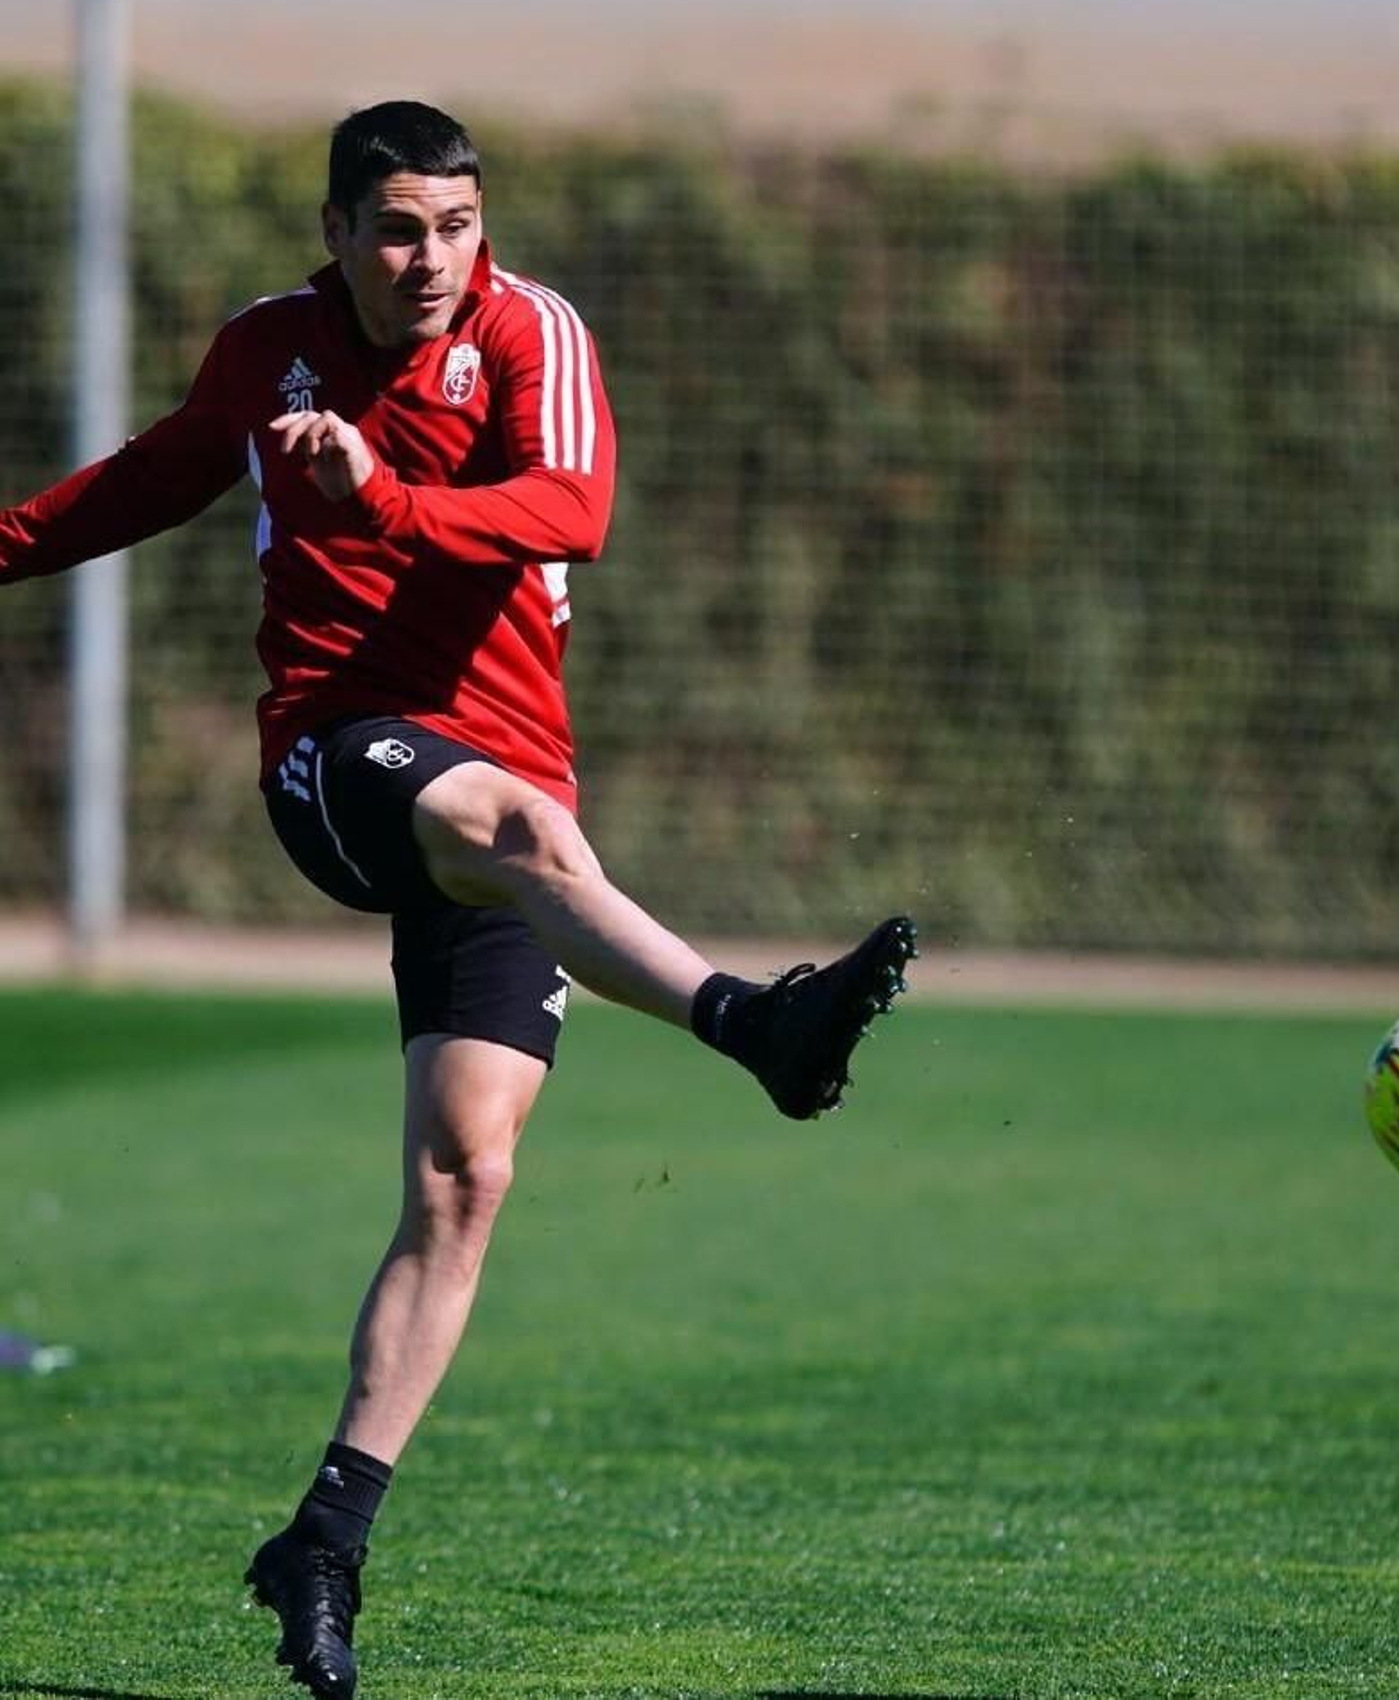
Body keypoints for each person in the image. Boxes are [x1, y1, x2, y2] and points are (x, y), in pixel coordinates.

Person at [0, 100, 916, 1699]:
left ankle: (326, 1537)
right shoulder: (268, 349)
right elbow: (150, 480)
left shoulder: (532, 330)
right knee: (514, 828)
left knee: (465, 1175)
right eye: (401, 229)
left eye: (459, 226)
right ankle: (757, 1024)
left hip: (508, 793)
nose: (434, 260)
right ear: (341, 235)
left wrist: (384, 500)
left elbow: (574, 513)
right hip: (336, 758)